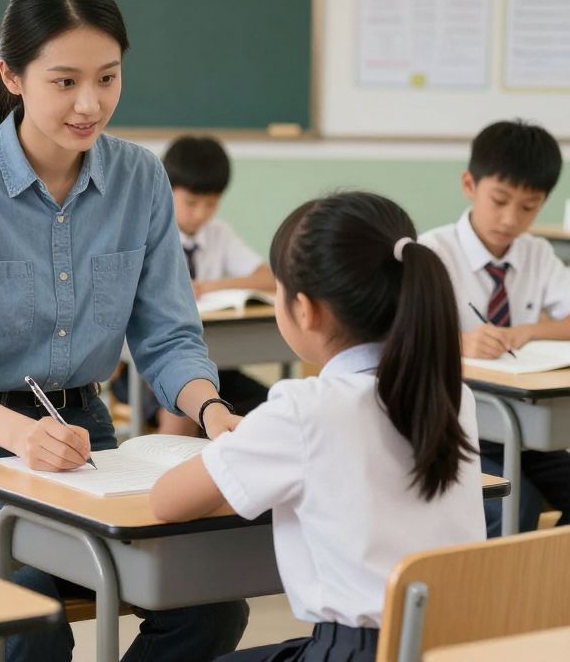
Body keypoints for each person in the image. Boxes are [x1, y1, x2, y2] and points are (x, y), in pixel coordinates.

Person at [0, 0, 248, 662]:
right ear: (13, 76)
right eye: (65, 82)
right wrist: (21, 437)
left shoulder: (141, 178)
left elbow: (169, 335)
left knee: (213, 604)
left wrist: (213, 414)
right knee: (33, 616)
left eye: (108, 78)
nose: (91, 103)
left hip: (91, 451)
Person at [151, 191, 486, 662]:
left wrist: (243, 443)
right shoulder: (454, 395)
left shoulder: (305, 408)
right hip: (452, 646)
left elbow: (167, 501)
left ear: (304, 309)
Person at [420, 119, 570, 536]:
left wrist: (530, 331)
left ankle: (550, 589)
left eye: (529, 206)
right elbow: (396, 340)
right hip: (450, 428)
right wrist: (459, 343)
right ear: (470, 184)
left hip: (523, 427)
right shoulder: (431, 252)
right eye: (500, 200)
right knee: (510, 508)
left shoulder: (536, 253)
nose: (510, 219)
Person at [113, 135, 275, 435]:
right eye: (190, 203)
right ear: (167, 190)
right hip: (148, 370)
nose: (200, 213)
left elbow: (268, 279)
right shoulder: (146, 231)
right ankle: (170, 478)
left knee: (271, 406)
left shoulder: (219, 234)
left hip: (215, 364)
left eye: (211, 204)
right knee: (183, 402)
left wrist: (206, 288)